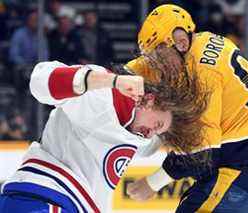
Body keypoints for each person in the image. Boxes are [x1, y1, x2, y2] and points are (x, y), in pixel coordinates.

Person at [125, 4, 248, 213]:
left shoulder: (204, 75)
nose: (156, 67)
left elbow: (202, 155)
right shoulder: (194, 44)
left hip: (239, 181)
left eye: (159, 58)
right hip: (245, 179)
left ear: (181, 42)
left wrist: (152, 183)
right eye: (151, 58)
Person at [0, 59, 199, 212]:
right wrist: (110, 81)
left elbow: (160, 149)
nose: (151, 133)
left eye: (158, 131)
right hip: (45, 198)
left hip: (64, 203)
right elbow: (40, 80)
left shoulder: (136, 136)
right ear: (149, 100)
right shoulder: (104, 94)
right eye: (157, 124)